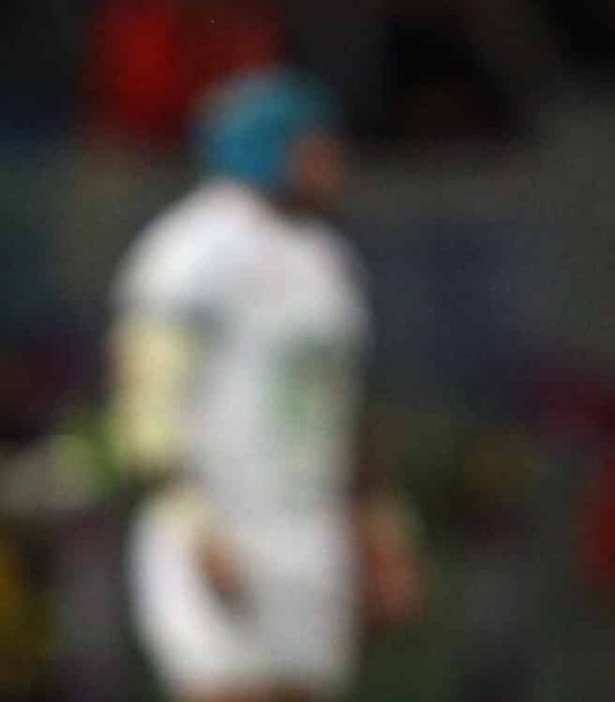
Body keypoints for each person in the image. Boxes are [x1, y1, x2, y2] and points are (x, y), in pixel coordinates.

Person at [109, 69, 422, 702]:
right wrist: (192, 523)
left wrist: (381, 530)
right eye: (317, 147)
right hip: (221, 517)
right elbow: (148, 401)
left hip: (308, 525)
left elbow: (345, 402)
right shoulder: (191, 247)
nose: (334, 162)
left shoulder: (328, 258)